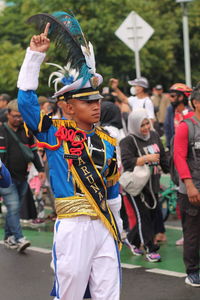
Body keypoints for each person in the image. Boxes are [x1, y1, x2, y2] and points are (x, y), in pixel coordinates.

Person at [17, 12, 122, 300]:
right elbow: (26, 101)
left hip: (103, 224)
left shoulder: (108, 141)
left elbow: (112, 186)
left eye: (98, 100)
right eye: (88, 101)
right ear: (69, 106)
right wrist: (34, 56)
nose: (96, 106)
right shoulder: (54, 131)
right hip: (73, 226)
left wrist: (118, 224)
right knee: (71, 292)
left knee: (108, 291)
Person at [120, 108, 169, 262]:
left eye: (147, 123)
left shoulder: (154, 135)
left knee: (153, 215)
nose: (146, 127)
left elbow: (162, 157)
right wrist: (146, 158)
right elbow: (127, 163)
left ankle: (131, 239)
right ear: (134, 126)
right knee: (144, 217)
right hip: (137, 187)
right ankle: (150, 249)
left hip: (153, 183)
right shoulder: (128, 141)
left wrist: (172, 173)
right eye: (142, 125)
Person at [0, 99, 45, 252]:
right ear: (8, 114)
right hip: (6, 178)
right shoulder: (2, 131)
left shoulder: (26, 131)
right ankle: (19, 238)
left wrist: (41, 170)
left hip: (22, 176)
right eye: (15, 116)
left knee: (14, 208)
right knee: (13, 206)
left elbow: (33, 152)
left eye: (21, 116)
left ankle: (8, 237)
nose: (18, 119)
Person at [174, 83, 200, 287]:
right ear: (196, 103)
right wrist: (190, 186)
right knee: (192, 233)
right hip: (192, 191)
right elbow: (179, 157)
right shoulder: (186, 126)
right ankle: (192, 271)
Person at [164, 83, 193, 149]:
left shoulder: (191, 111)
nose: (170, 99)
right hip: (175, 147)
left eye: (172, 96)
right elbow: (167, 128)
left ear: (181, 97)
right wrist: (169, 146)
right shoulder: (170, 110)